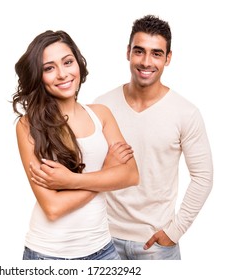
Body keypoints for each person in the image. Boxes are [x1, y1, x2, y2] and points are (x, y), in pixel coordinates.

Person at [31, 15, 214, 260]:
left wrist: (175, 231)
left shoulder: (186, 113)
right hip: (100, 240)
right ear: (128, 52)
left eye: (157, 54)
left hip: (155, 245)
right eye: (139, 51)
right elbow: (87, 170)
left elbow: (203, 177)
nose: (146, 62)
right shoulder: (102, 106)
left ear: (168, 58)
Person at [12, 30, 139, 260]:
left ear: (78, 63)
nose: (62, 74)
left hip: (103, 249)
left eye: (68, 62)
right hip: (48, 255)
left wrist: (71, 181)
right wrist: (106, 174)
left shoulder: (101, 114)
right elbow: (53, 208)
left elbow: (131, 175)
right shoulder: (28, 125)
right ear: (38, 76)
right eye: (49, 68)